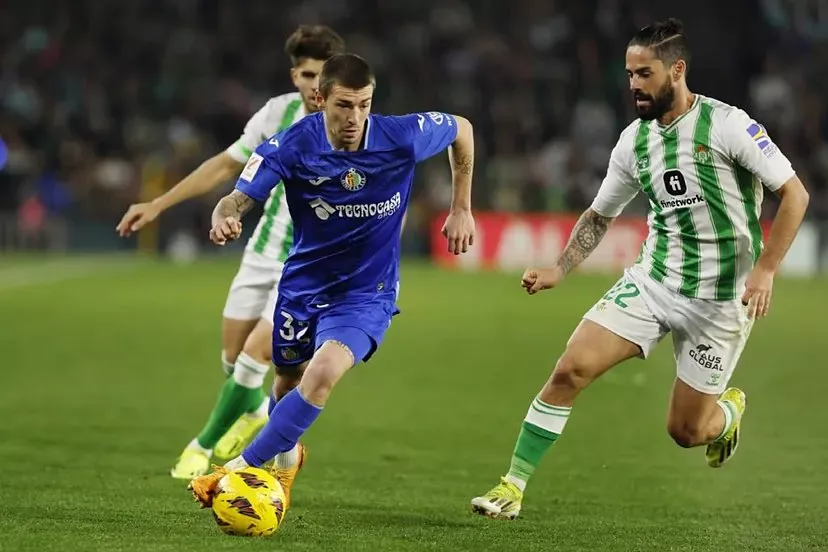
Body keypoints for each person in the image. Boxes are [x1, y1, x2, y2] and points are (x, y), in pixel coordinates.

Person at [471, 18, 810, 520]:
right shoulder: (634, 141)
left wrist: (766, 269)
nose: (633, 84)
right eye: (629, 74)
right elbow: (599, 214)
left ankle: (729, 413)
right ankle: (512, 485)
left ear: (677, 70)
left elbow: (794, 195)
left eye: (644, 74)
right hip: (653, 282)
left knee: (686, 432)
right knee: (570, 368)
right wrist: (561, 268)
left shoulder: (728, 125)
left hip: (721, 299)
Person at [187, 53, 476, 510]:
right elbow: (237, 197)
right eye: (344, 105)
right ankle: (283, 467)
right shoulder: (292, 144)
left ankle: (239, 469)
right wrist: (226, 215)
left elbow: (461, 128)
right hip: (303, 288)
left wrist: (461, 206)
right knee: (286, 384)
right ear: (320, 99)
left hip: (367, 294)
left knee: (322, 375)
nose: (355, 117)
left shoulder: (401, 136)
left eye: (364, 104)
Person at [115, 25, 346, 481]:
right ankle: (262, 410)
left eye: (321, 75)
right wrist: (158, 203)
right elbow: (225, 164)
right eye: (304, 74)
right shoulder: (276, 113)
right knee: (232, 359)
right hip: (262, 252)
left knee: (254, 359)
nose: (311, 85)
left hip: (306, 262)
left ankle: (200, 450)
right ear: (294, 74)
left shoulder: (350, 125)